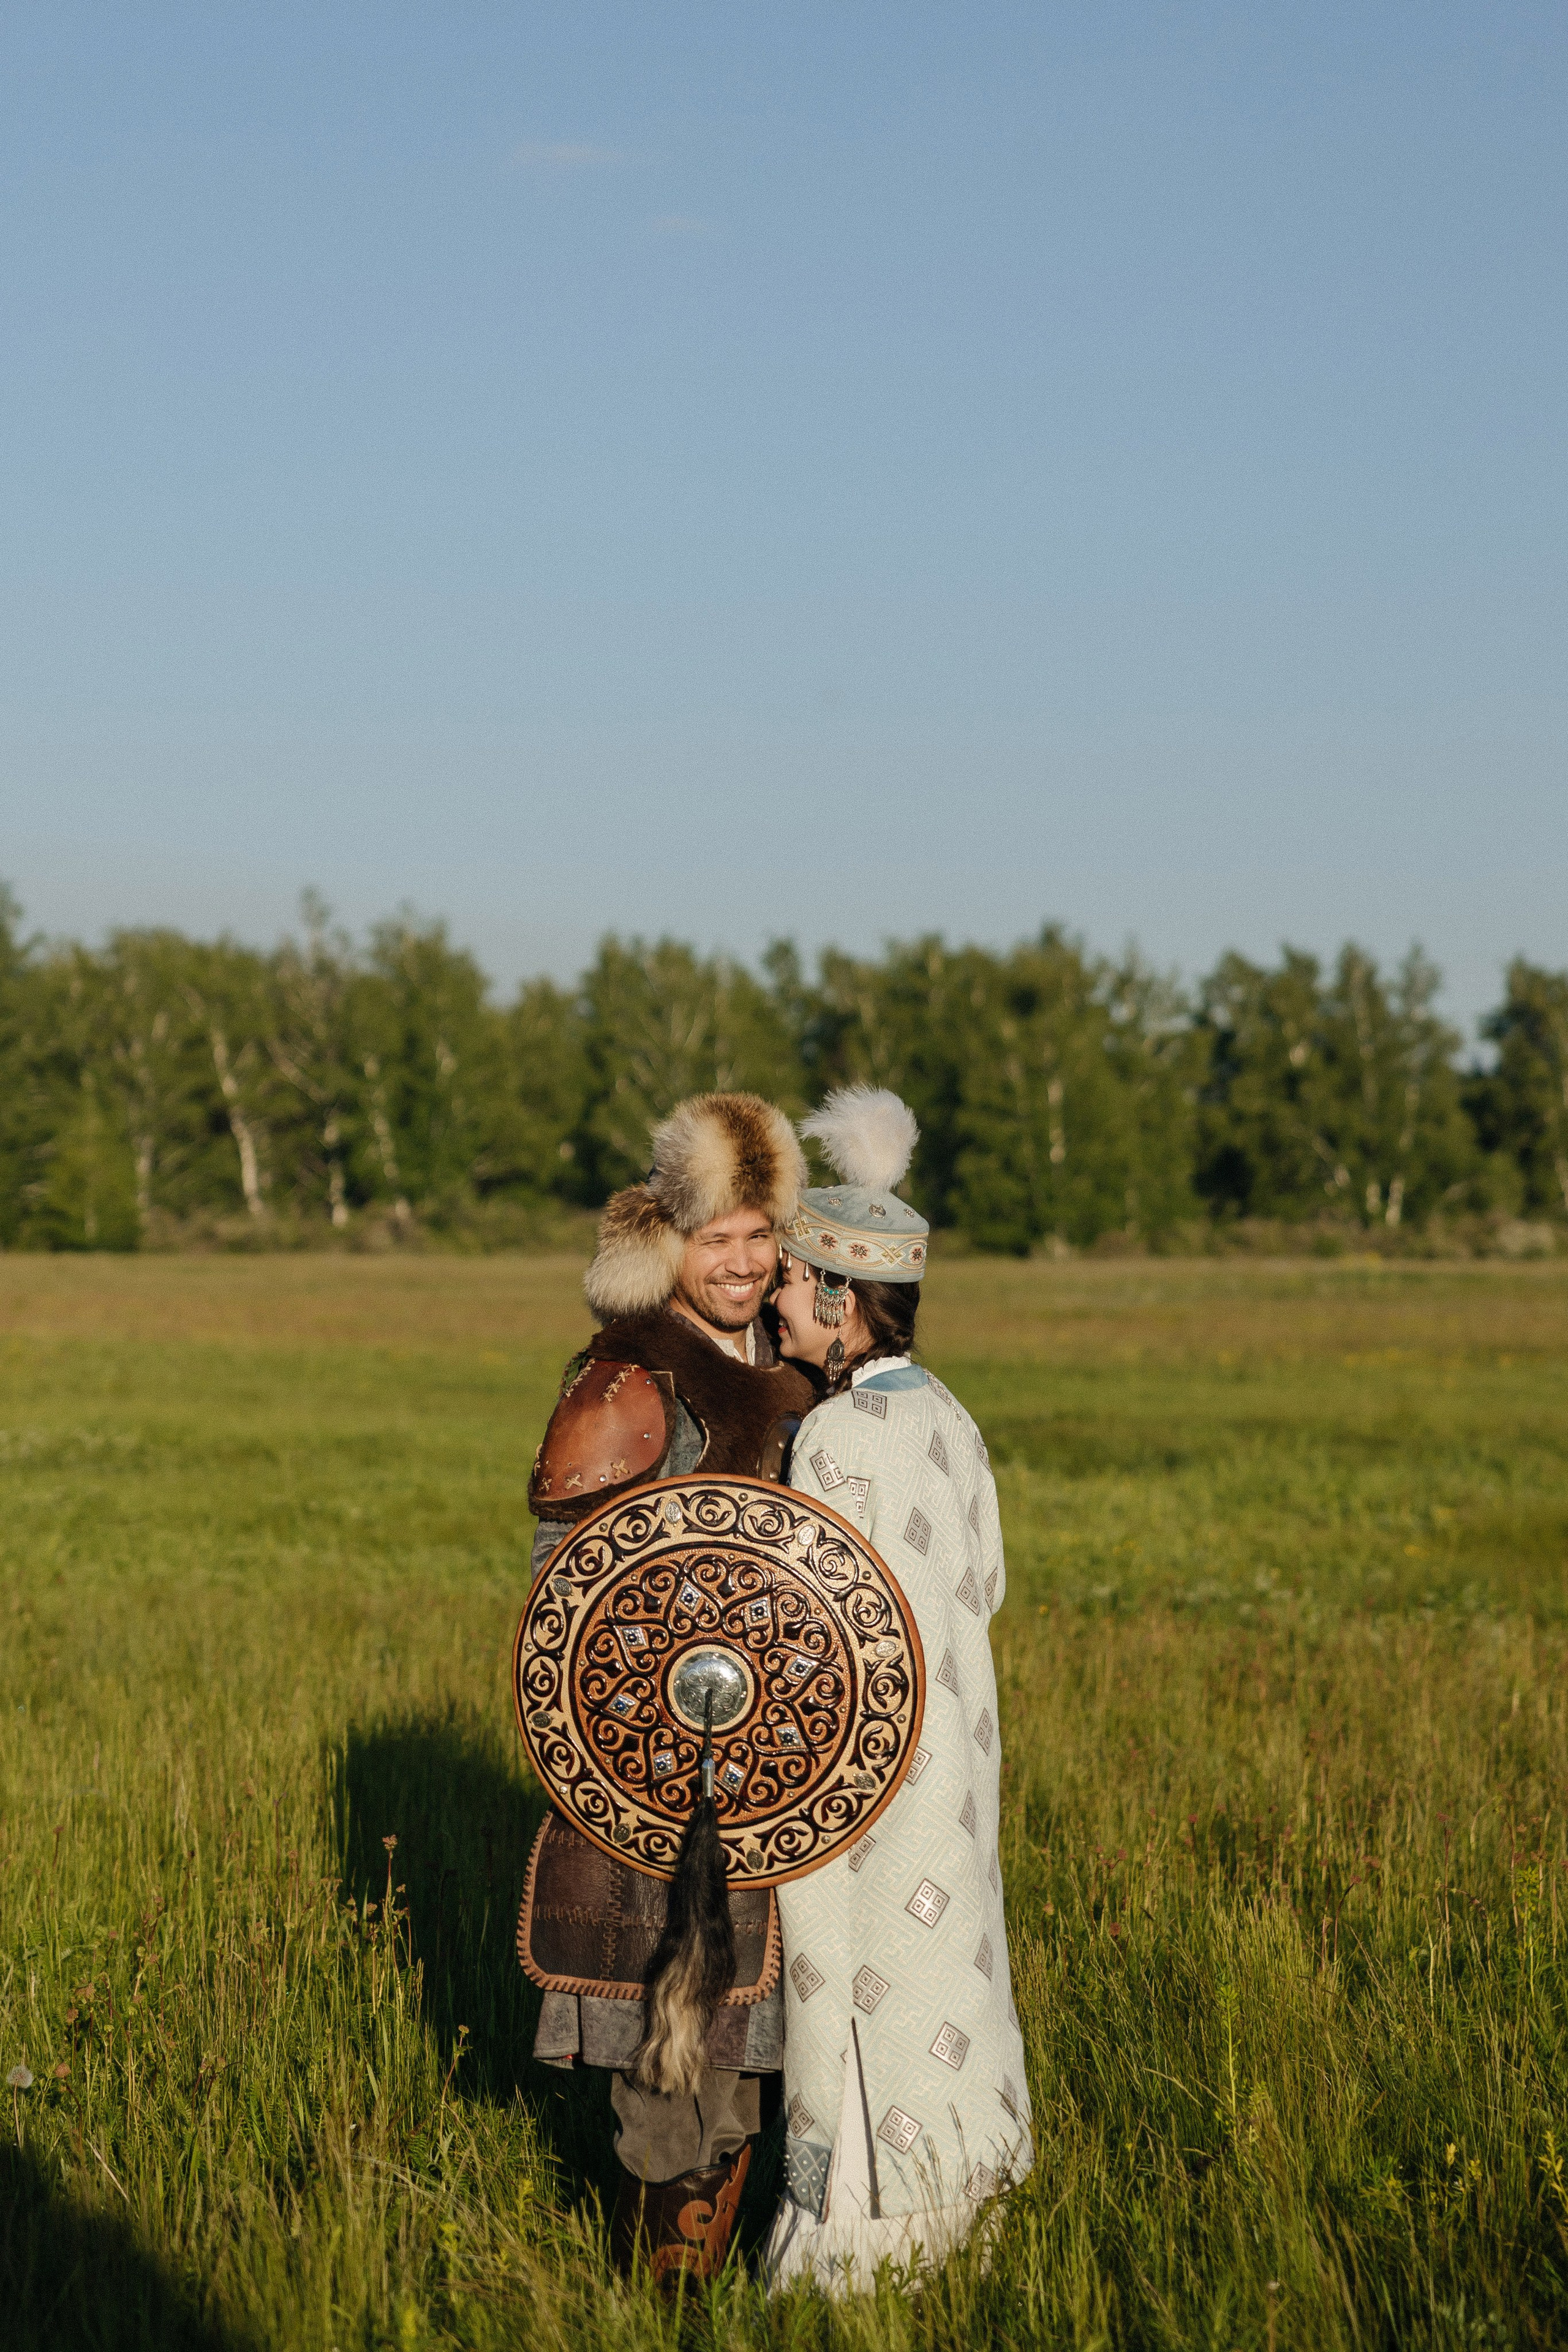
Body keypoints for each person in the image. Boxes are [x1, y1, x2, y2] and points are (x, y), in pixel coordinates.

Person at [518, 1091, 817, 2282]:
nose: (740, 1262)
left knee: (760, 2050)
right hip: (660, 1772)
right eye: (715, 1237)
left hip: (784, 1763)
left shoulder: (795, 1366)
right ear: (666, 1242)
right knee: (674, 2066)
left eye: (758, 1233)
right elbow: (568, 1606)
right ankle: (668, 2302)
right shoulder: (628, 1380)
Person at [761, 1085, 1033, 2290]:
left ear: (834, 1297)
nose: (772, 1307)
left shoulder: (829, 1441)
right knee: (948, 1974)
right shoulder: (954, 1420)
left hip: (866, 1783)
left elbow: (803, 1633)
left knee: (861, 1997)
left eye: (785, 1286)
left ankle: (857, 2254)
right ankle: (951, 2210)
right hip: (956, 1767)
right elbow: (983, 1584)